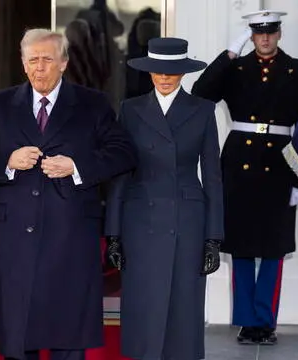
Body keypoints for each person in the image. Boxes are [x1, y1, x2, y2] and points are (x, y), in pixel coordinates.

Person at [0, 28, 137, 360]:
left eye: (47, 59)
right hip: (15, 234)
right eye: (32, 60)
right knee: (19, 333)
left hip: (71, 234)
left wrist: (76, 166)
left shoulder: (92, 103)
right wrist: (7, 162)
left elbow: (123, 153)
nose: (39, 67)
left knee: (68, 331)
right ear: (22, 63)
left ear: (64, 62)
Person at [104, 37, 223, 360]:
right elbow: (120, 173)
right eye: (158, 70)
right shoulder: (131, 109)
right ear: (149, 72)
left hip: (188, 221)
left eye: (172, 71)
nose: (165, 77)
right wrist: (113, 234)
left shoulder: (202, 110)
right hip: (140, 220)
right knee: (144, 301)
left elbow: (212, 177)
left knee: (184, 302)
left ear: (183, 73)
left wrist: (213, 238)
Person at [191, 10, 298, 345]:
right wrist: (227, 55)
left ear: (279, 34)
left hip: (282, 163)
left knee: (272, 248)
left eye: (270, 32)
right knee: (240, 245)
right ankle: (246, 321)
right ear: (251, 36)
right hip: (239, 163)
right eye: (258, 33)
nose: (264, 39)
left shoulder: (297, 70)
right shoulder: (236, 68)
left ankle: (265, 322)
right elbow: (200, 93)